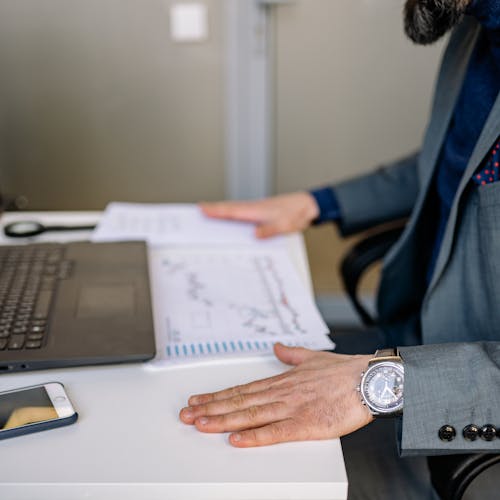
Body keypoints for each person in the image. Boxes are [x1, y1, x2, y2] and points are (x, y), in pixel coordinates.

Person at [180, 0, 500, 497]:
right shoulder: (476, 29)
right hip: (419, 333)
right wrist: (316, 204)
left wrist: (393, 381)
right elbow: (457, 157)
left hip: (468, 382)